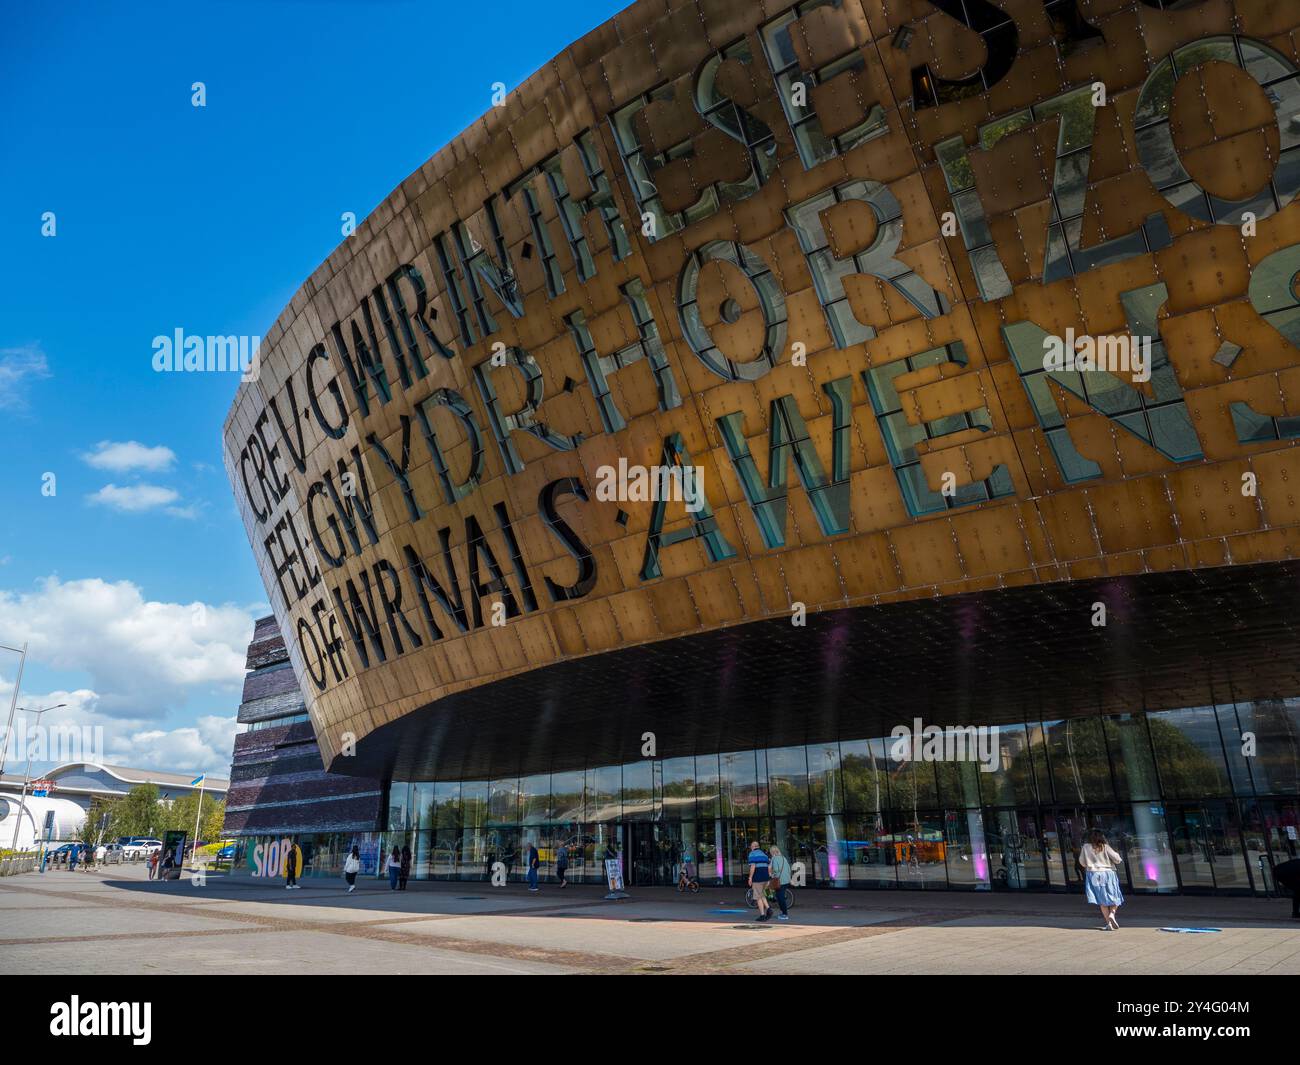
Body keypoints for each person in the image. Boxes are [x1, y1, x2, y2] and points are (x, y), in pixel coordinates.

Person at [1079, 829, 1125, 929]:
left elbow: (1082, 862)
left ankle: (1108, 924)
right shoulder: (1105, 846)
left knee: (1102, 900)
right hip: (1107, 873)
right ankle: (1112, 914)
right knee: (1115, 896)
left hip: (1093, 874)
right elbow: (1117, 859)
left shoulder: (1085, 847)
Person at [747, 841, 771, 921]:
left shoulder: (752, 854)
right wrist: (769, 877)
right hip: (766, 877)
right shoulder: (764, 854)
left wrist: (750, 877)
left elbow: (753, 866)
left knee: (758, 897)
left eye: (751, 846)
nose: (750, 847)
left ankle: (762, 915)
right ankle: (769, 909)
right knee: (762, 894)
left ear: (753, 846)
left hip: (758, 878)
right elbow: (769, 867)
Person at [769, 845, 792, 921]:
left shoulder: (774, 859)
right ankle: (783, 912)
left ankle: (784, 914)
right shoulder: (783, 858)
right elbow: (789, 868)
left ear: (772, 852)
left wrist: (772, 874)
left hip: (780, 881)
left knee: (780, 898)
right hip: (786, 880)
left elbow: (775, 869)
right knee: (780, 896)